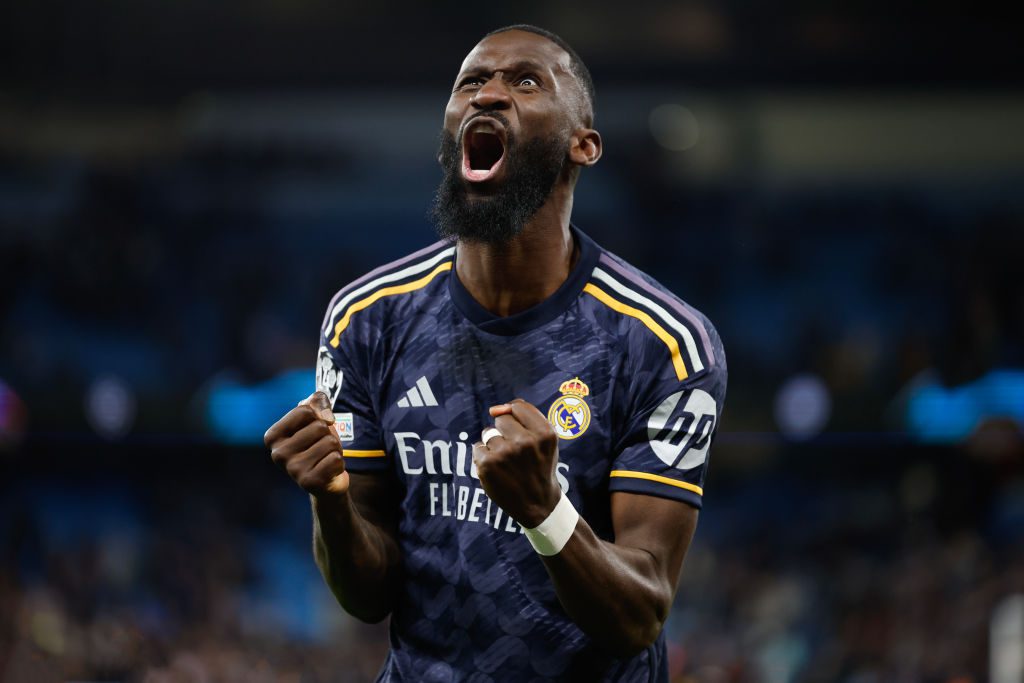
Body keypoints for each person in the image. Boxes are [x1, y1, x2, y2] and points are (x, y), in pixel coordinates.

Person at [264, 24, 727, 682]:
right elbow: (367, 597)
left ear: (583, 145)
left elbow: (641, 614)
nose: (490, 95)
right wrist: (331, 504)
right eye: (471, 83)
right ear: (448, 139)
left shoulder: (663, 342)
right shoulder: (367, 318)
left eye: (526, 81)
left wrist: (546, 510)